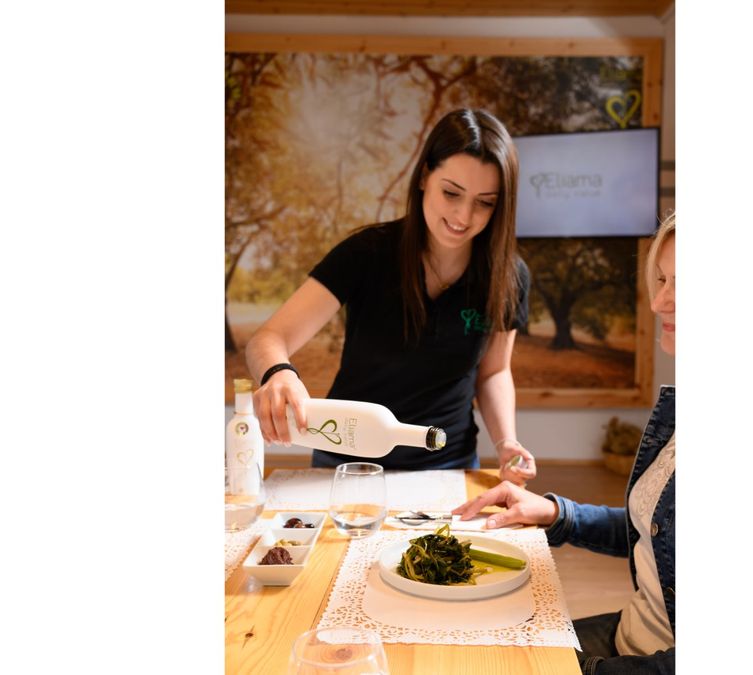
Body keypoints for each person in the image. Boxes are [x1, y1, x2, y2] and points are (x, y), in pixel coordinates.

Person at [245, 108, 536, 484]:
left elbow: (494, 371)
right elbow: (268, 339)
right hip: (346, 461)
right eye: (451, 193)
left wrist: (506, 441)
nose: (464, 216)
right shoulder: (366, 253)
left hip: (447, 462)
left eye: (485, 202)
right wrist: (279, 374)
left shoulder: (509, 276)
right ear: (424, 177)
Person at [454, 213, 676, 674]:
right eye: (662, 280)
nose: (659, 302)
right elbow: (654, 534)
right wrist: (556, 513)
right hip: (628, 635)